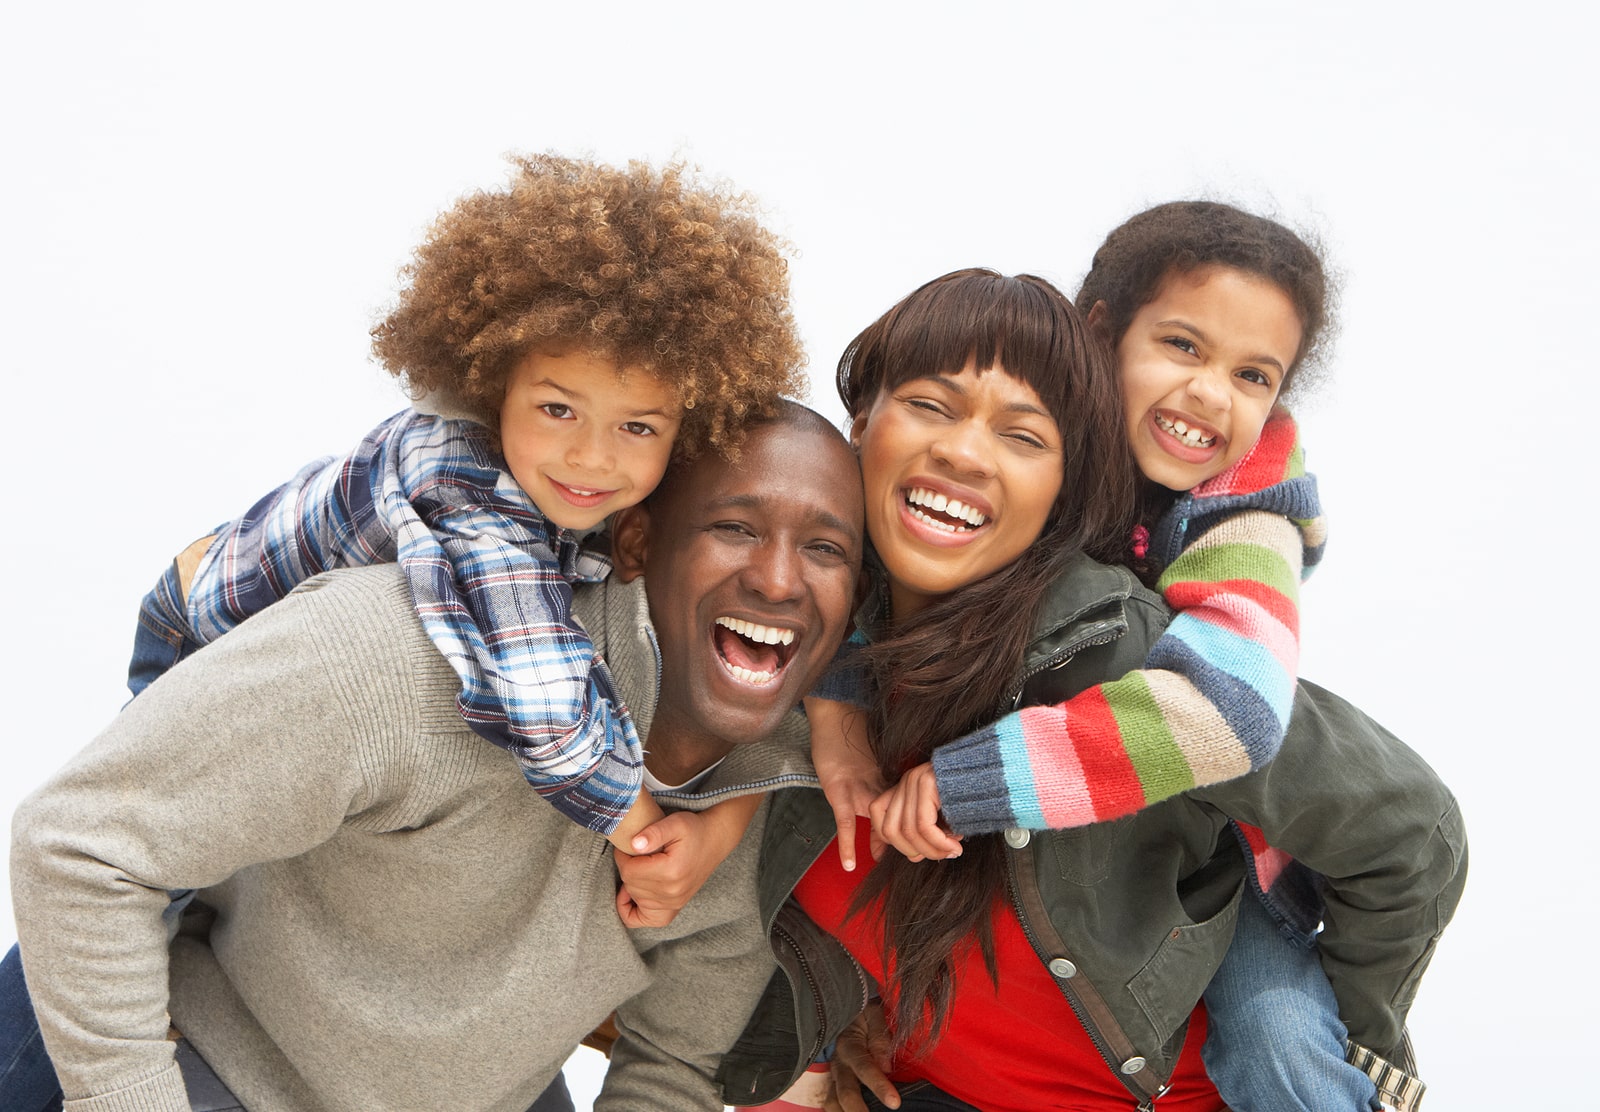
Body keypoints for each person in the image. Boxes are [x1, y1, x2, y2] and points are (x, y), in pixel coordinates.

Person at [716, 272, 1465, 1112]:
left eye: (1023, 436)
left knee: (1279, 1029)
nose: (964, 453)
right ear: (861, 424)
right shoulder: (767, 645)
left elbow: (1410, 827)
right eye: (931, 405)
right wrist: (819, 1038)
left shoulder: (1143, 666)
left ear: (1067, 485)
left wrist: (1352, 1035)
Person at [3, 402, 864, 1112]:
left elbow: (672, 1066)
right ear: (637, 542)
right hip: (215, 1064)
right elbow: (79, 843)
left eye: (825, 548)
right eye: (733, 527)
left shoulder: (779, 794)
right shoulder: (398, 657)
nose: (781, 580)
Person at [129, 151, 804, 868]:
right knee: (157, 851)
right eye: (557, 409)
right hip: (203, 623)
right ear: (492, 385)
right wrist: (639, 827)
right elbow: (542, 693)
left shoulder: (591, 484)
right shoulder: (462, 480)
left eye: (637, 427)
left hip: (312, 674)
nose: (593, 458)